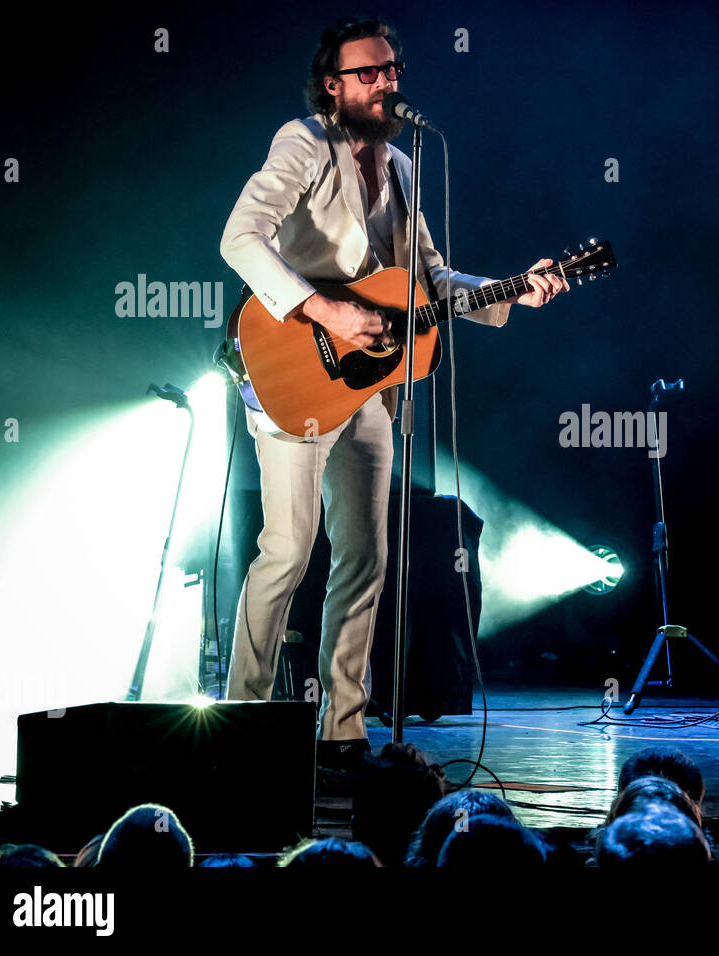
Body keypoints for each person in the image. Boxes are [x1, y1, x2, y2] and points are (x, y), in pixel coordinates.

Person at [220, 17, 567, 767]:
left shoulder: (408, 167)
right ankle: (241, 713)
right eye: (368, 72)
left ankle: (342, 727)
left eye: (392, 68)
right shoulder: (303, 143)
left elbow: (430, 280)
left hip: (366, 390)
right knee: (287, 547)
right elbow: (240, 237)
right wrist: (324, 306)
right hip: (292, 368)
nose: (386, 82)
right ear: (332, 86)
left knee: (366, 556)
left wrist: (513, 290)